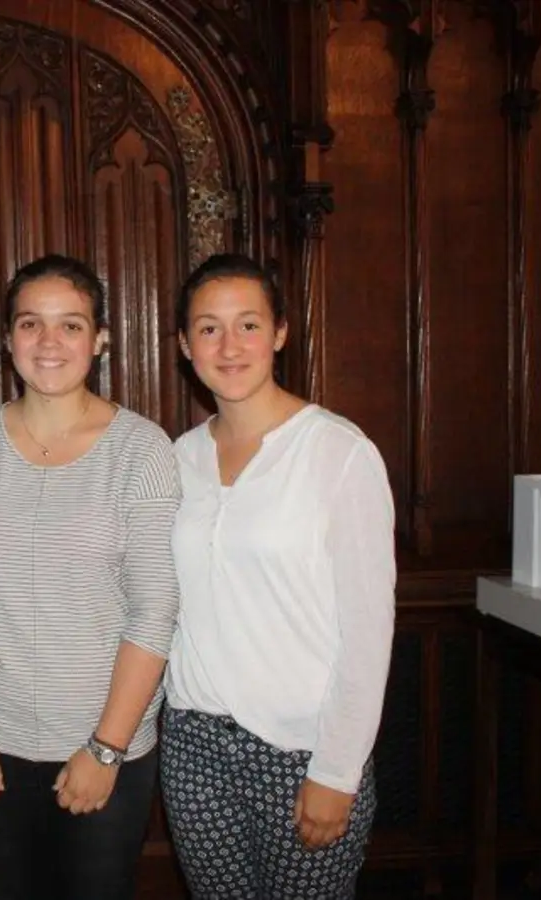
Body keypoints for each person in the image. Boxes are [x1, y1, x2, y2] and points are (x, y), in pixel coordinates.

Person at [0, 254, 181, 900]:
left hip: (105, 746)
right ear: (8, 340)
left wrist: (106, 748)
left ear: (100, 340)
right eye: (31, 324)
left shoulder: (141, 450)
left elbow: (154, 611)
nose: (50, 343)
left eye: (71, 325)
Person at [160, 253, 396, 899]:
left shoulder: (338, 453)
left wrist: (338, 771)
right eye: (208, 328)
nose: (229, 346)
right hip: (194, 745)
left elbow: (369, 631)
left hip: (302, 751)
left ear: (281, 332)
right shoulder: (177, 459)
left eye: (248, 325)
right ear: (184, 344)